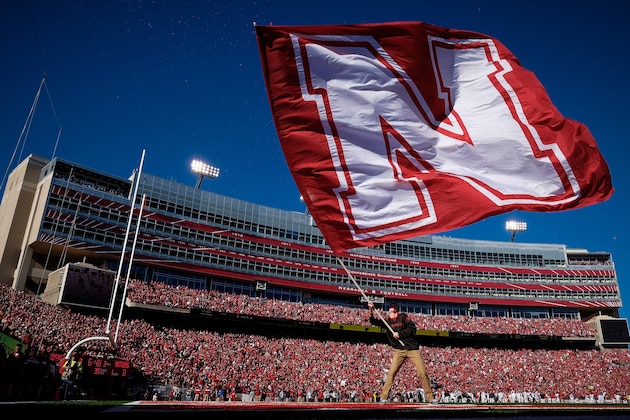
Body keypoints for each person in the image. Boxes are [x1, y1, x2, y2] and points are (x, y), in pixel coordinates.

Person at [368, 301, 435, 404]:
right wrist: (371, 309)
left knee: (423, 373)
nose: (388, 314)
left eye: (390, 312)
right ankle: (383, 397)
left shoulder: (403, 317)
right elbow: (373, 321)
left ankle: (430, 398)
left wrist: (400, 334)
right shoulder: (387, 322)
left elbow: (412, 329)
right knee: (391, 373)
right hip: (399, 350)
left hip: (412, 349)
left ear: (395, 312)